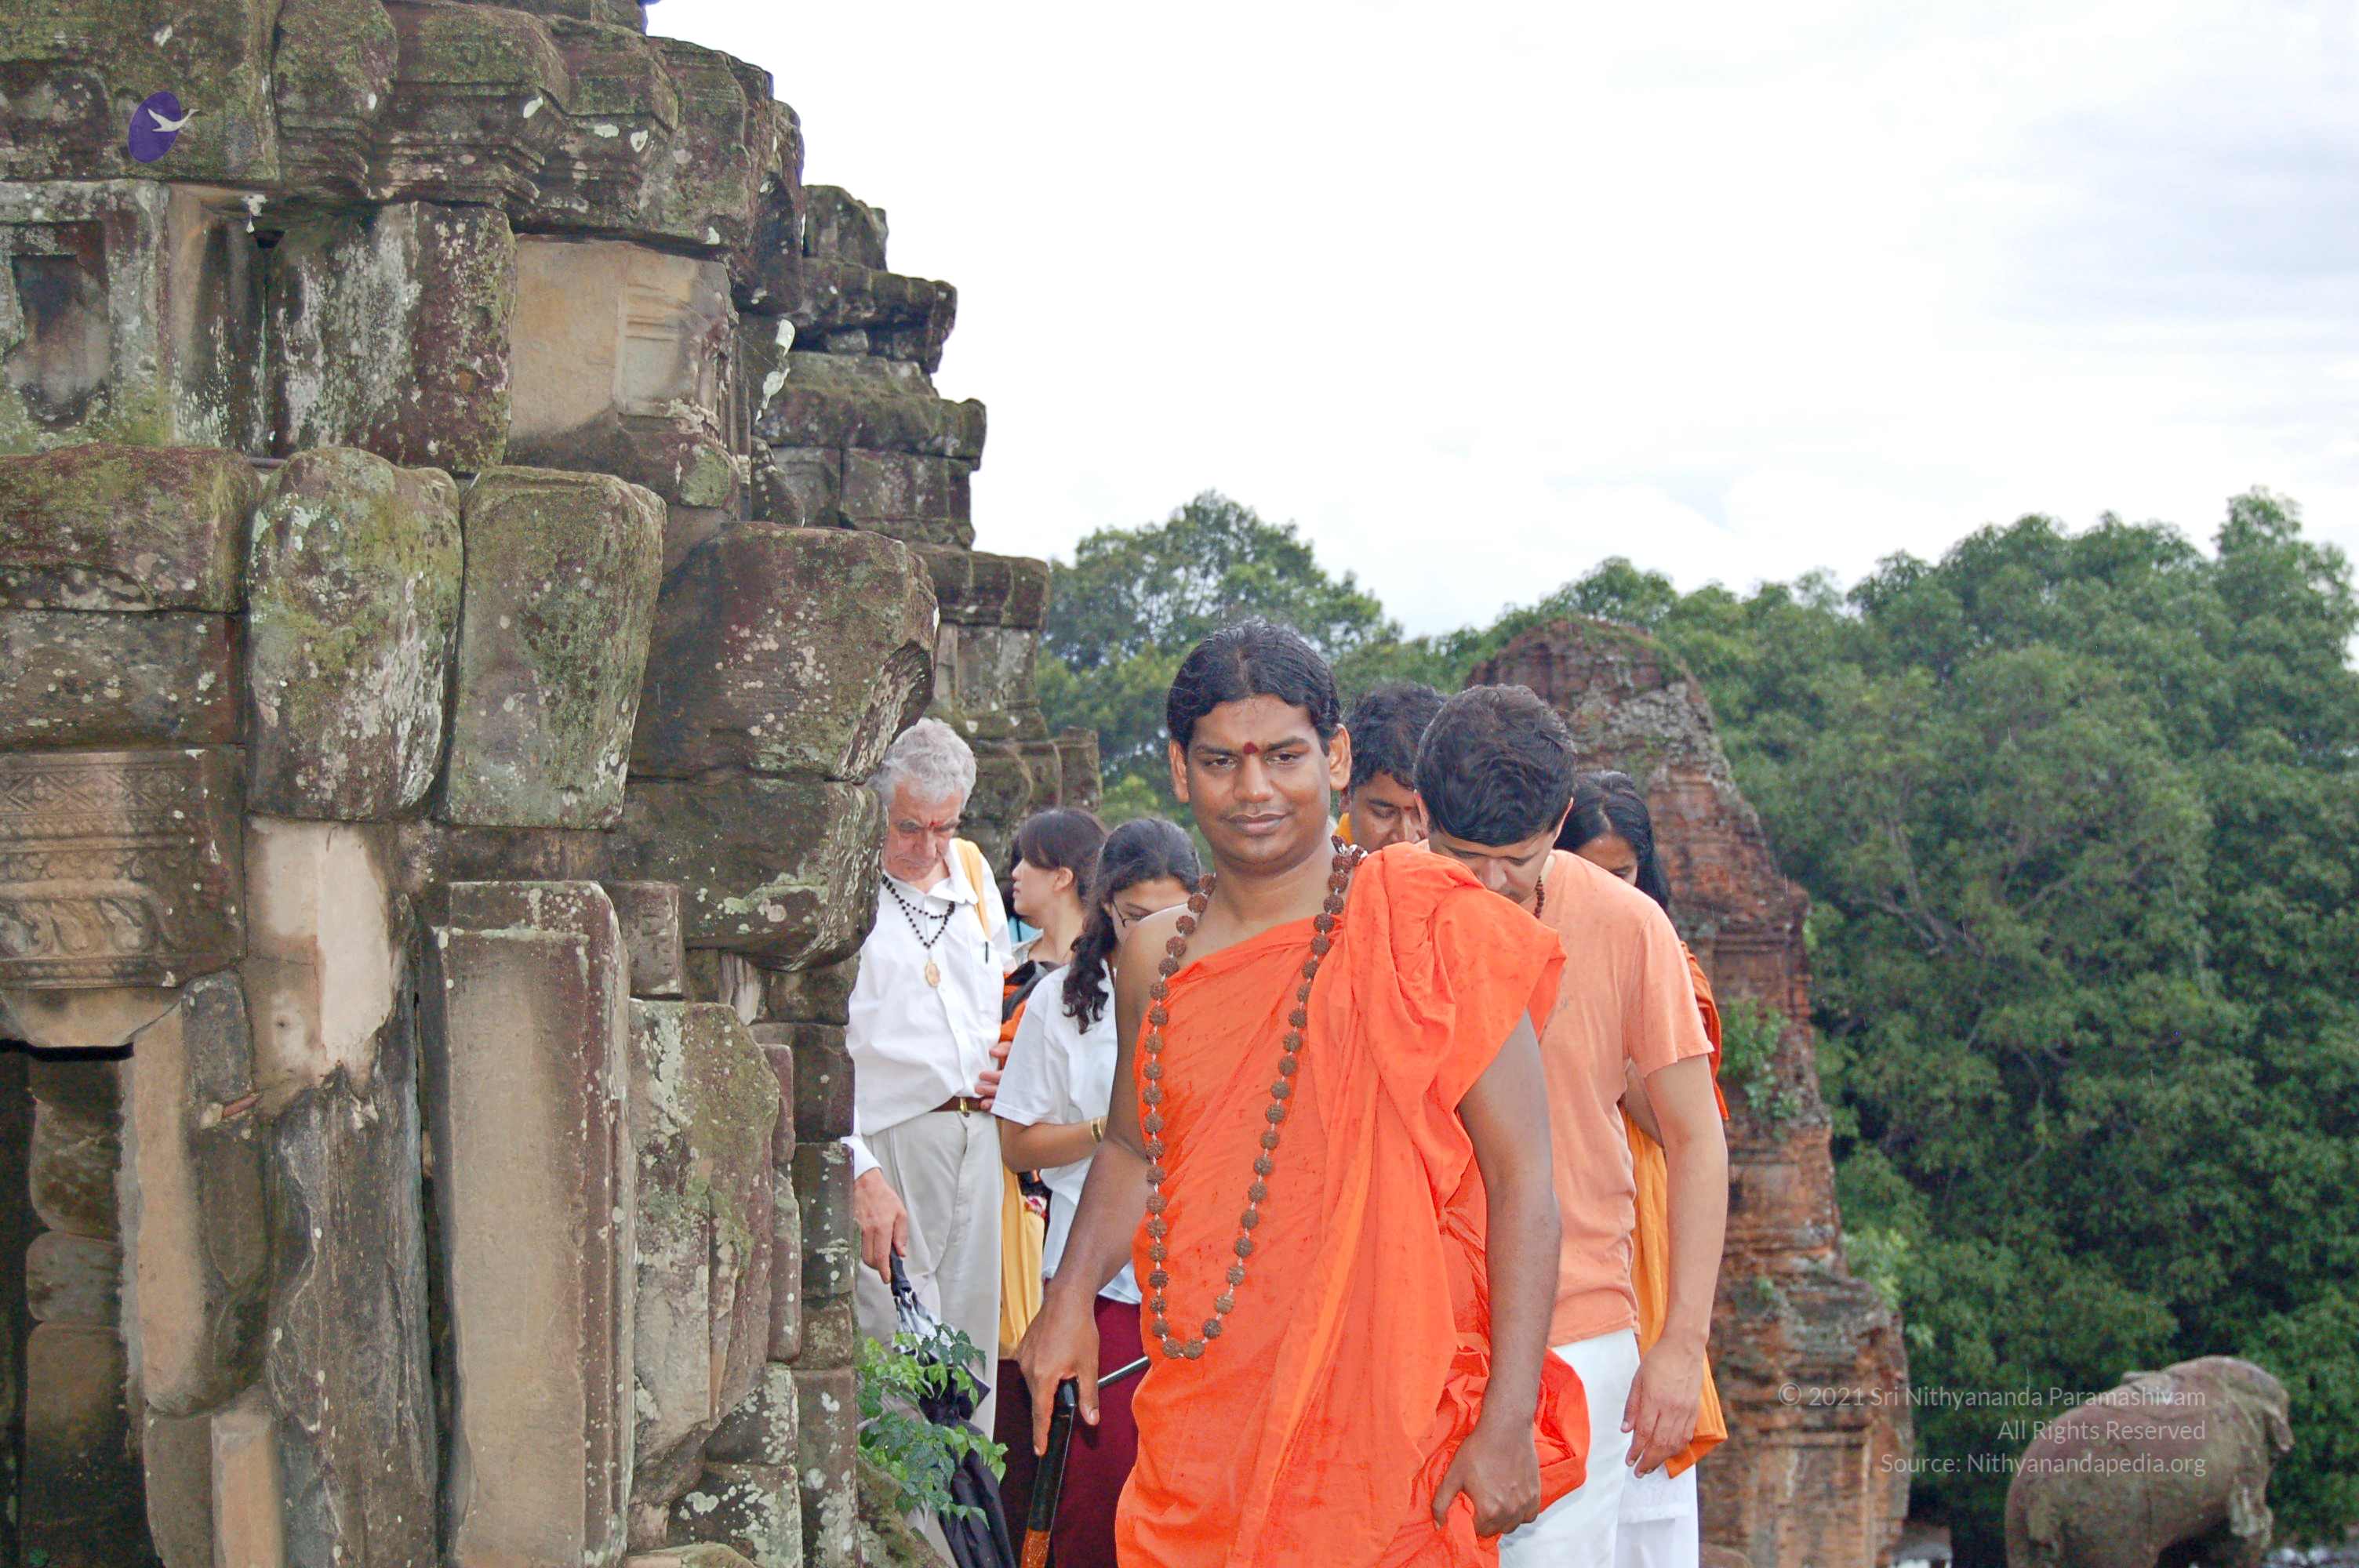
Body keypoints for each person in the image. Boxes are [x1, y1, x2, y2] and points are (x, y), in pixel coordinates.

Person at [1019, 621, 1590, 1567]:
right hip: (1208, 1406)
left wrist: (1506, 1418)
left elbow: (1524, 1175)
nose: (1253, 789)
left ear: (1335, 756)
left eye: (1283, 755)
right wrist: (1069, 1295)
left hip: (1384, 1410)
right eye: (1220, 760)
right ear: (1178, 768)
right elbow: (1131, 1144)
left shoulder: (1430, 923)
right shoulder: (1155, 953)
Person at [1415, 688, 1730, 1568]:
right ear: (1422, 815)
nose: (1486, 885)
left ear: (1558, 821)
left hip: (1576, 1332)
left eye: (1515, 861)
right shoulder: (1376, 906)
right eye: (1461, 856)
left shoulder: (1628, 923)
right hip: (1411, 1328)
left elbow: (1696, 1138)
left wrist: (1681, 1344)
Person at [994, 817, 1202, 1565]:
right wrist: (1113, 1130)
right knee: (1099, 1491)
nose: (1158, 935)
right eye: (1138, 916)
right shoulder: (1063, 1001)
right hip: (1098, 1280)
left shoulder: (1214, 984)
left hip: (1196, 1277)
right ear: (1105, 907)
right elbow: (1017, 1143)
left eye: (1176, 915)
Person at [1561, 770, 1730, 1568]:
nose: (1606, 889)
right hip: (1555, 1265)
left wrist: (1613, 1019)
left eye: (1622, 873)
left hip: (1643, 1263)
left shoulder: (1664, 962)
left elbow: (1682, 1125)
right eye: (1587, 870)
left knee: (1644, 1519)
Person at [846, 717, 1013, 1434]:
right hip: (892, 1143)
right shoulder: (847, 886)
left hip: (978, 1139)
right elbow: (822, 1045)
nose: (928, 847)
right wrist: (858, 1168)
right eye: (909, 827)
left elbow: (996, 1002)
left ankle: (972, 1510)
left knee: (970, 1367)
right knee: (898, 1361)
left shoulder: (972, 873)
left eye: (945, 827)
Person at [996, 811, 1110, 1380]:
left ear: (1063, 876)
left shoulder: (1114, 982)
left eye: (1028, 860)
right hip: (1029, 1196)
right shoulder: (1012, 970)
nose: (1015, 872)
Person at [1338, 681, 1445, 851]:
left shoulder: (1483, 863)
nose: (1406, 839)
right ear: (1346, 793)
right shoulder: (1319, 865)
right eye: (1384, 814)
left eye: (1425, 815)